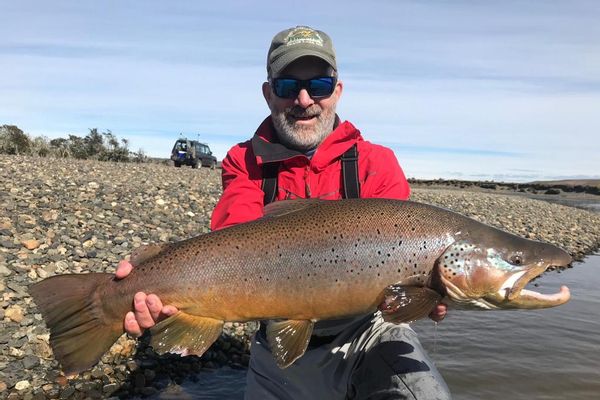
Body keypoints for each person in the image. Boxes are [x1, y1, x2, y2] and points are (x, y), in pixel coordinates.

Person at [116, 26, 450, 399]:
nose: (304, 100)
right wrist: (156, 279)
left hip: (367, 338)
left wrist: (423, 300)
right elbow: (234, 243)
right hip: (278, 344)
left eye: (319, 85)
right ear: (268, 93)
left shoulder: (377, 163)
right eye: (288, 87)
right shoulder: (244, 161)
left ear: (337, 92)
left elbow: (404, 286)